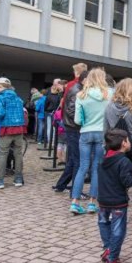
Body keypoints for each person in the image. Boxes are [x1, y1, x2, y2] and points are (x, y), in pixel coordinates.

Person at [97, 129, 132, 263]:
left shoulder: (102, 159)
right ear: (124, 143)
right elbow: (127, 181)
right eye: (128, 140)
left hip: (103, 200)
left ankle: (108, 247)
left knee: (104, 223)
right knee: (118, 230)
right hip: (118, 201)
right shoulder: (124, 162)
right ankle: (113, 257)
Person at [69, 68, 112, 214]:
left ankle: (75, 202)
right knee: (96, 168)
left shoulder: (81, 95)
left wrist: (86, 121)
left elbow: (77, 119)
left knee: (83, 167)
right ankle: (92, 203)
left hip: (85, 132)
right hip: (102, 133)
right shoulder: (109, 94)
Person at [0, 77, 27, 189]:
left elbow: (0, 113)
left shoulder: (0, 98)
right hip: (19, 128)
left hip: (7, 128)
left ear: (0, 86)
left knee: (3, 154)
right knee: (18, 154)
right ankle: (18, 179)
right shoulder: (18, 98)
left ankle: (0, 181)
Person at [53, 63, 88, 193]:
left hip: (69, 124)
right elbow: (72, 109)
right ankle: (75, 189)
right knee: (77, 158)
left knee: (74, 158)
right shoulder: (77, 87)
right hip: (74, 126)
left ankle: (61, 185)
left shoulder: (71, 85)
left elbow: (64, 105)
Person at [103, 78, 132, 168]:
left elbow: (105, 130)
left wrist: (105, 149)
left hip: (112, 146)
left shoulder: (109, 106)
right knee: (127, 176)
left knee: (113, 177)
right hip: (130, 147)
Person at [44, 80, 64, 146]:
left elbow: (45, 105)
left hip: (48, 112)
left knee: (49, 128)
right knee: (55, 128)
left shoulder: (48, 96)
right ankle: (53, 142)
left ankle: (49, 142)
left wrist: (46, 110)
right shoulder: (59, 97)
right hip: (55, 113)